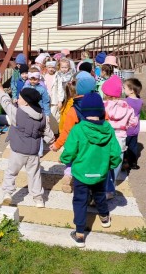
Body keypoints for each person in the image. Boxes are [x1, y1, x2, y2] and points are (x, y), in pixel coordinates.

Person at [60, 92, 122, 248]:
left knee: (80, 201)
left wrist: (65, 159)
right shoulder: (108, 129)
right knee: (99, 195)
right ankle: (105, 217)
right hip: (101, 172)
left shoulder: (78, 129)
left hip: (81, 173)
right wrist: (111, 165)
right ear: (101, 111)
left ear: (84, 111)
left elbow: (70, 150)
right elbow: (115, 152)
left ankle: (80, 234)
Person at [0, 79, 55, 208]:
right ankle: (38, 199)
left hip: (17, 149)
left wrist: (1, 89)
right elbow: (47, 132)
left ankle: (8, 193)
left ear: (26, 101)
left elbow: (5, 103)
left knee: (11, 172)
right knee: (34, 175)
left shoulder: (17, 113)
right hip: (34, 151)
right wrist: (51, 142)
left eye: (19, 98)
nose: (17, 100)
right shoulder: (42, 115)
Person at [101, 75, 138, 198]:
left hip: (106, 136)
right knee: (117, 162)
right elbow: (134, 122)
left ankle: (103, 187)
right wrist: (125, 126)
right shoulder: (127, 106)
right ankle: (111, 189)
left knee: (105, 161)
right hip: (121, 137)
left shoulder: (103, 105)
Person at [124, 78, 143, 170]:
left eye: (125, 88)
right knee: (133, 146)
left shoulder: (126, 101)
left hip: (126, 129)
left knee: (123, 147)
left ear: (131, 90)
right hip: (135, 129)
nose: (124, 90)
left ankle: (124, 162)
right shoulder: (140, 101)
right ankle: (133, 163)